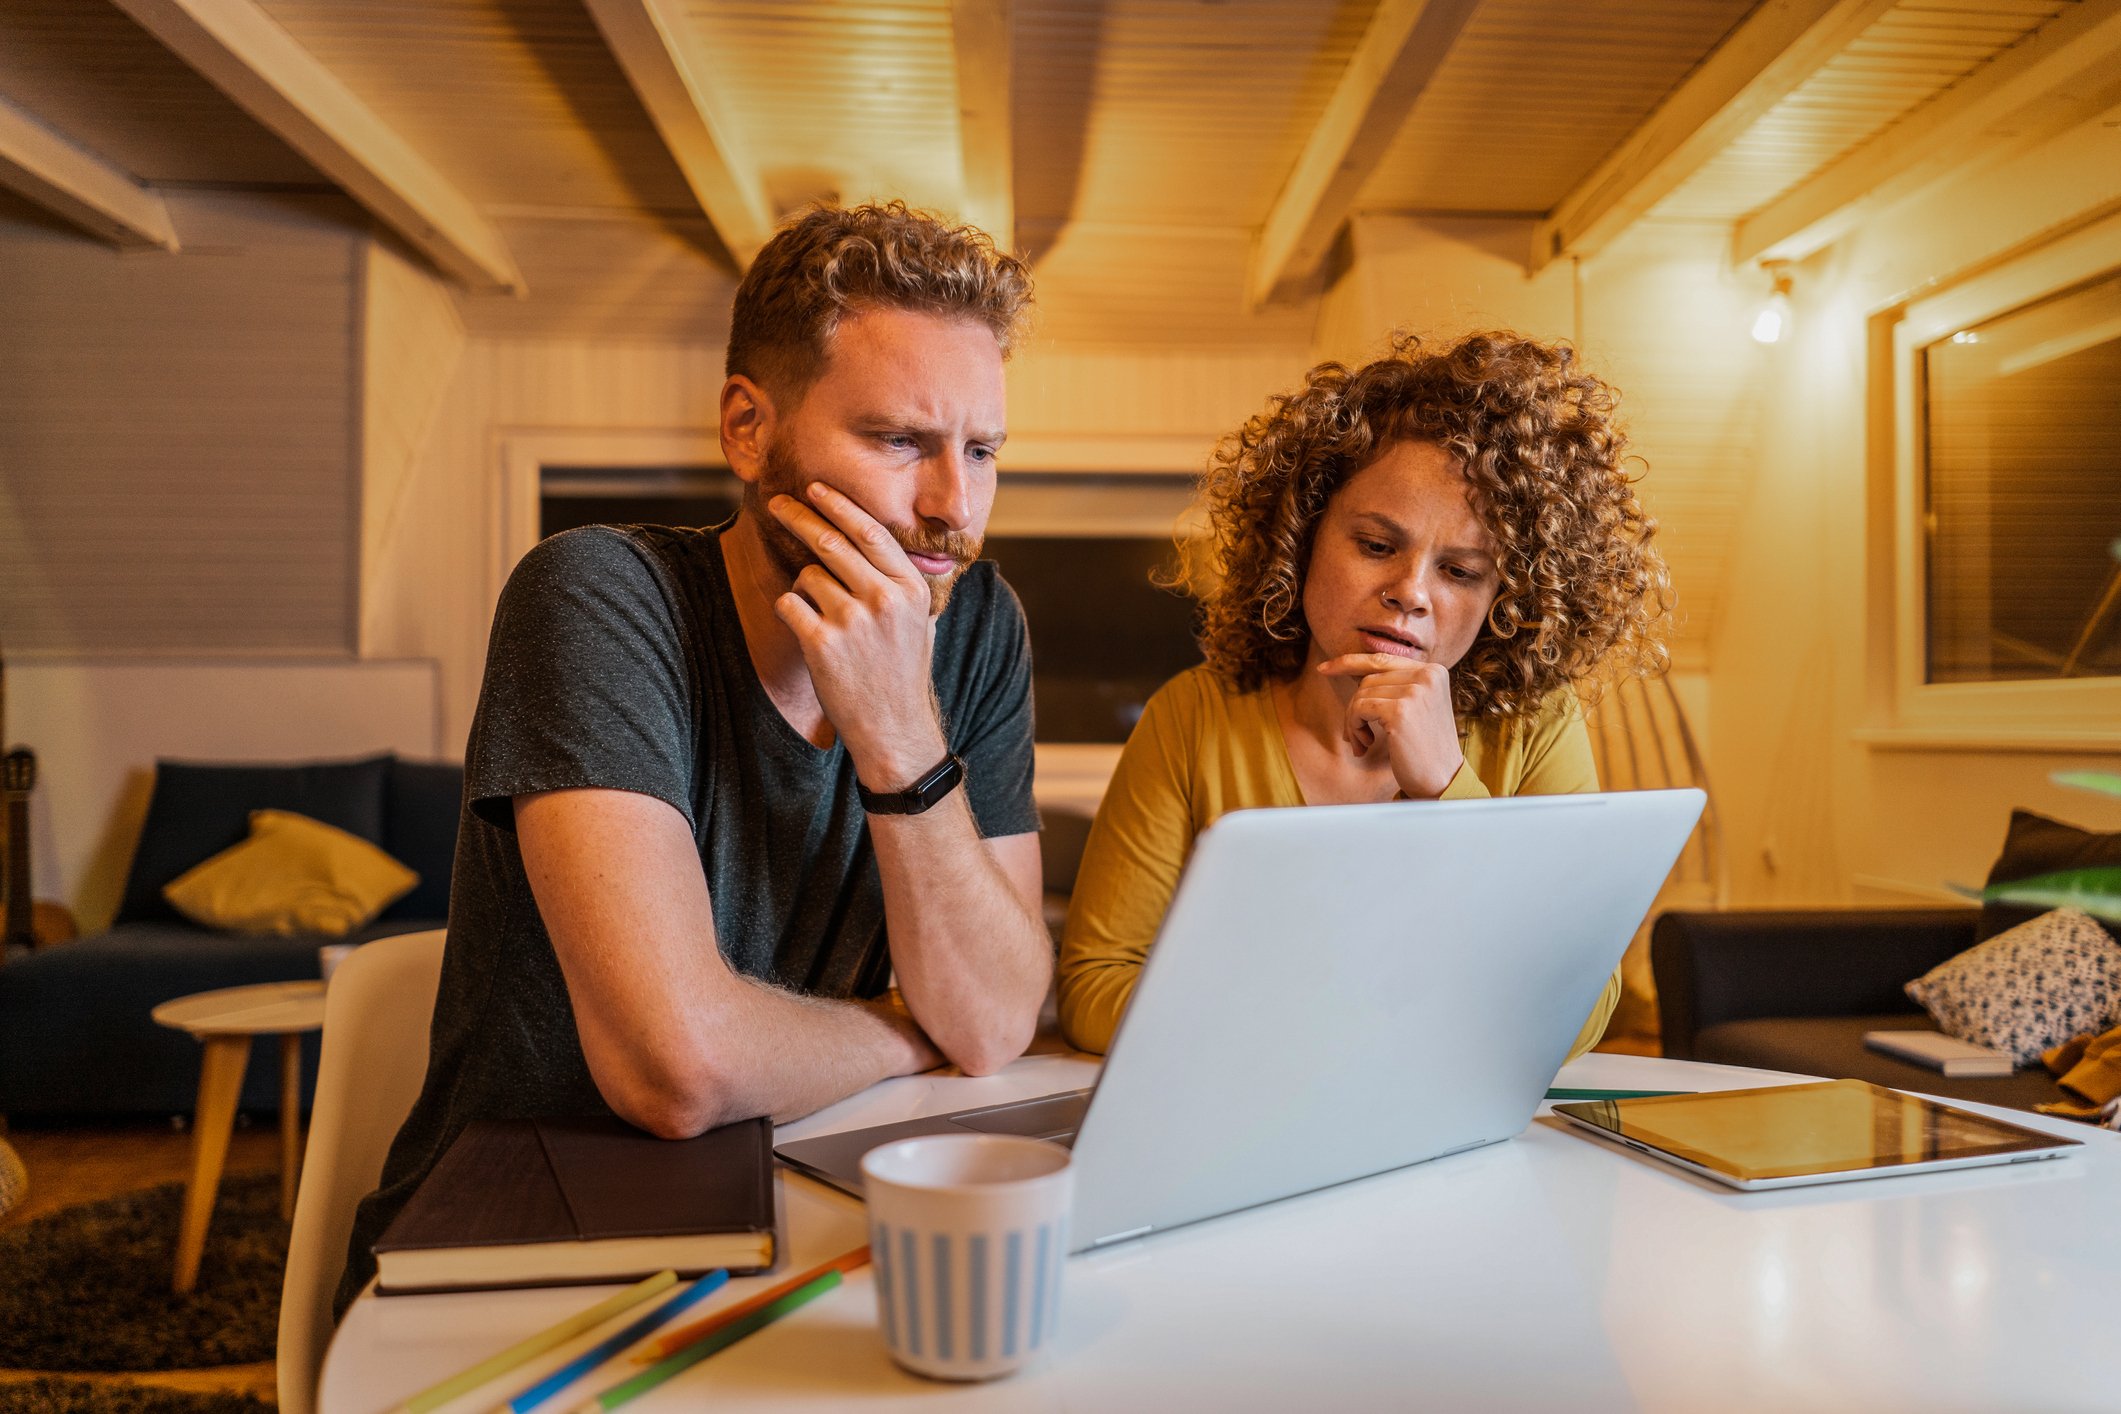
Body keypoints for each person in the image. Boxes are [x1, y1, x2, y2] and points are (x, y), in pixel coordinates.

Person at [338, 203, 1054, 1310]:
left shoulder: (977, 624)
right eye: (898, 440)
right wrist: (910, 1034)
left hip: (793, 1220)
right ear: (746, 429)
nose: (951, 508)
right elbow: (675, 1071)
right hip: (520, 1251)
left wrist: (901, 729)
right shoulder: (595, 597)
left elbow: (1000, 1021)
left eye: (982, 450)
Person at [1058, 331, 1671, 1057]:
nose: (1409, 593)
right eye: (1377, 546)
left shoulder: (1534, 725)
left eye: (1460, 572)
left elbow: (1574, 1018)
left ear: (1502, 596)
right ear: (1302, 536)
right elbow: (1094, 989)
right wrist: (1328, 1030)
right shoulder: (1193, 717)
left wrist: (1445, 787)